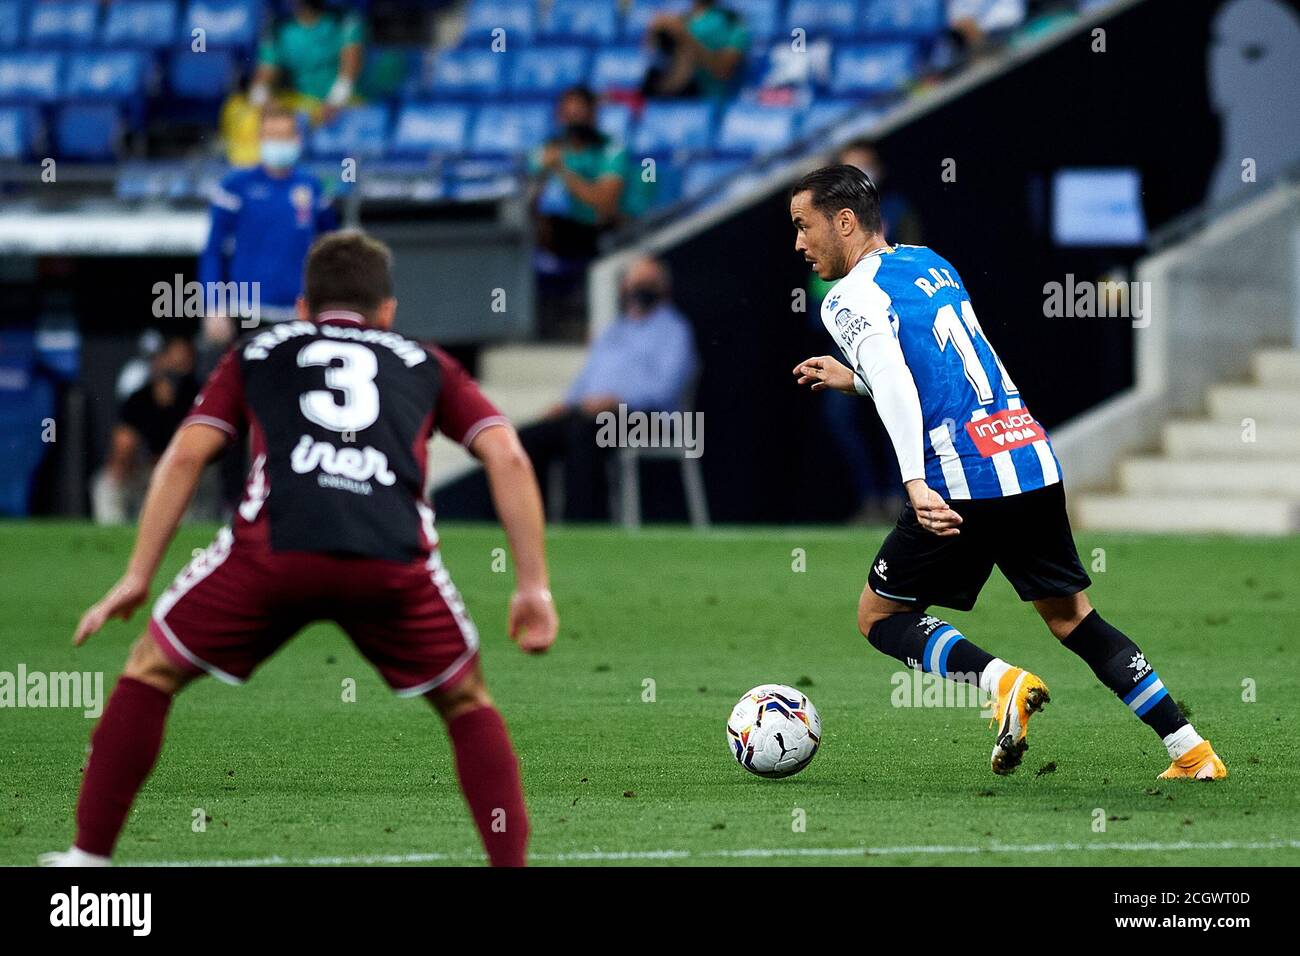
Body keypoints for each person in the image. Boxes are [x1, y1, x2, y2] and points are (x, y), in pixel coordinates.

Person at [43, 231, 559, 868]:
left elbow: (186, 453)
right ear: (388, 311)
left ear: (303, 307)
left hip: (274, 550)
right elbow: (506, 453)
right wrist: (531, 585)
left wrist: (137, 574)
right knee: (465, 700)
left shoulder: (260, 347)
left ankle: (85, 863)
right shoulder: (425, 361)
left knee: (152, 668)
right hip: (389, 558)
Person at [788, 165, 1226, 780]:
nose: (799, 244)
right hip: (1028, 457)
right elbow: (941, 371)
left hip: (961, 479)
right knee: (1073, 617)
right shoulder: (931, 261)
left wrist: (913, 481)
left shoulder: (847, 299)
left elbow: (896, 385)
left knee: (880, 618)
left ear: (844, 221)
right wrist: (852, 378)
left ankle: (1002, 682)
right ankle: (1192, 750)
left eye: (804, 227)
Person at [522, 256, 698, 521]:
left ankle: (584, 526)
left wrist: (617, 400)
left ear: (663, 287)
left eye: (647, 282)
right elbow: (587, 377)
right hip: (593, 413)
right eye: (634, 281)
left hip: (649, 419)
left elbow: (665, 388)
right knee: (530, 437)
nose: (639, 288)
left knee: (585, 431)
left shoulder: (674, 330)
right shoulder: (613, 331)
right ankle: (532, 523)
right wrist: (568, 403)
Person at [199, 105, 339, 337]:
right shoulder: (236, 186)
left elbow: (330, 247)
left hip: (299, 313)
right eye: (273, 136)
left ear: (297, 138)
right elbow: (214, 250)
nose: (279, 142)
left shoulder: (311, 186)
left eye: (285, 136)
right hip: (247, 311)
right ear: (261, 138)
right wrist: (214, 305)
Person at [530, 86, 628, 338]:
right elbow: (527, 202)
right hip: (553, 235)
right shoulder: (546, 149)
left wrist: (562, 171)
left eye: (580, 115)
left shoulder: (611, 149)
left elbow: (605, 203)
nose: (573, 123)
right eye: (567, 116)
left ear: (593, 115)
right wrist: (541, 175)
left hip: (599, 234)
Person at [92, 336, 200, 525]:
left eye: (183, 363)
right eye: (172, 361)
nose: (176, 369)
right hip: (145, 470)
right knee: (106, 484)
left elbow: (196, 450)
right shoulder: (140, 398)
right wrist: (123, 466)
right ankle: (112, 540)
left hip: (182, 473)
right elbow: (123, 442)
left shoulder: (198, 397)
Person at [249, 0, 365, 125]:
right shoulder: (278, 27)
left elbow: (351, 63)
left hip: (347, 103)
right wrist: (263, 100)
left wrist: (336, 100)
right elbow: (264, 75)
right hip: (302, 104)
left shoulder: (345, 18)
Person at [643, 0, 750, 100]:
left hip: (708, 100)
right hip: (672, 96)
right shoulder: (680, 19)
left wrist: (683, 35)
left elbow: (722, 70)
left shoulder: (733, 23)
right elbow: (653, 56)